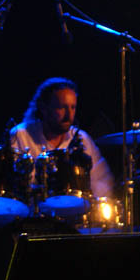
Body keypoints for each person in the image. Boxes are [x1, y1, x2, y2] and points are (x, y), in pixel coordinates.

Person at [9, 77, 115, 205]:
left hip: (75, 214)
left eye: (73, 107)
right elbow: (13, 186)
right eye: (61, 107)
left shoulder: (82, 139)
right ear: (43, 108)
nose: (69, 115)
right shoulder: (20, 135)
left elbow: (102, 181)